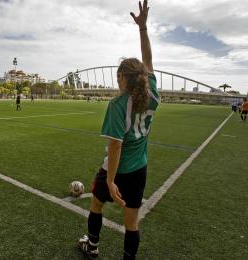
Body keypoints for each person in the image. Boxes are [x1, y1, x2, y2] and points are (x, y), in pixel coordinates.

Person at [78, 1, 159, 259]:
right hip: (139, 169)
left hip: (117, 169)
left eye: (118, 75)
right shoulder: (153, 93)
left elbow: (115, 145)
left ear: (124, 77)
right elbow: (148, 59)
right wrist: (143, 29)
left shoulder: (117, 104)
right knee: (132, 224)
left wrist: (111, 180)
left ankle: (91, 247)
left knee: (97, 203)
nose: (116, 79)